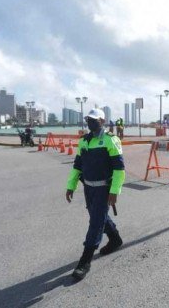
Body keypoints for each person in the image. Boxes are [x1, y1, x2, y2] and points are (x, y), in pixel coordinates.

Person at [65, 108, 126, 281]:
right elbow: (77, 166)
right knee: (98, 217)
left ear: (102, 121)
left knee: (95, 222)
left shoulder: (111, 140)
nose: (90, 122)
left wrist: (114, 191)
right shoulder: (84, 141)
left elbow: (119, 169)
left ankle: (85, 261)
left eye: (94, 120)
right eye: (88, 119)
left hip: (103, 189)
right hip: (89, 189)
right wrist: (71, 186)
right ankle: (115, 239)